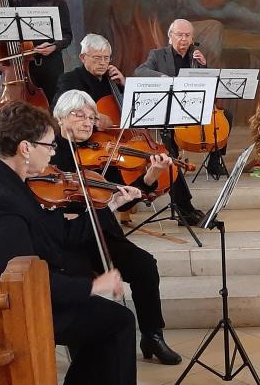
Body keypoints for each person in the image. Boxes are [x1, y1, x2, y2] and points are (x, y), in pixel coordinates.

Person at [0, 101, 136, 384]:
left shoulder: (12, 181)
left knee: (110, 325)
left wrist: (109, 205)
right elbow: (22, 279)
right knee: (118, 323)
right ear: (25, 148)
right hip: (5, 307)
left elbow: (57, 232)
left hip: (25, 293)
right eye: (49, 145)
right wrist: (93, 286)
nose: (53, 152)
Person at [51, 90, 183, 365]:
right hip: (68, 240)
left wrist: (150, 176)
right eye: (79, 116)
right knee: (78, 276)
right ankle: (81, 348)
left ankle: (152, 335)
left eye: (91, 118)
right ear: (60, 117)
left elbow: (122, 198)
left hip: (102, 233)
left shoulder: (102, 153)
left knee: (145, 266)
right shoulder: (49, 152)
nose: (88, 123)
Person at [54, 33, 205, 225]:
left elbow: (134, 108)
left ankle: (185, 208)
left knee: (164, 156)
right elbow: (59, 107)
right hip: (94, 146)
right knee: (124, 173)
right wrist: (96, 118)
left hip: (121, 139)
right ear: (83, 57)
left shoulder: (112, 80)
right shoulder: (70, 80)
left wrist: (125, 85)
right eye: (97, 58)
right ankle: (125, 200)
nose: (103, 63)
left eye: (106, 58)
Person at [134, 19, 232, 179]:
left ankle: (214, 161)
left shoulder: (196, 55)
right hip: (171, 105)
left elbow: (208, 84)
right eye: (180, 35)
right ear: (170, 36)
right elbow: (140, 71)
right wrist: (162, 77)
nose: (184, 39)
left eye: (187, 35)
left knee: (226, 115)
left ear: (192, 38)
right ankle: (173, 162)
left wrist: (203, 66)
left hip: (194, 104)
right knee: (168, 122)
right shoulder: (158, 55)